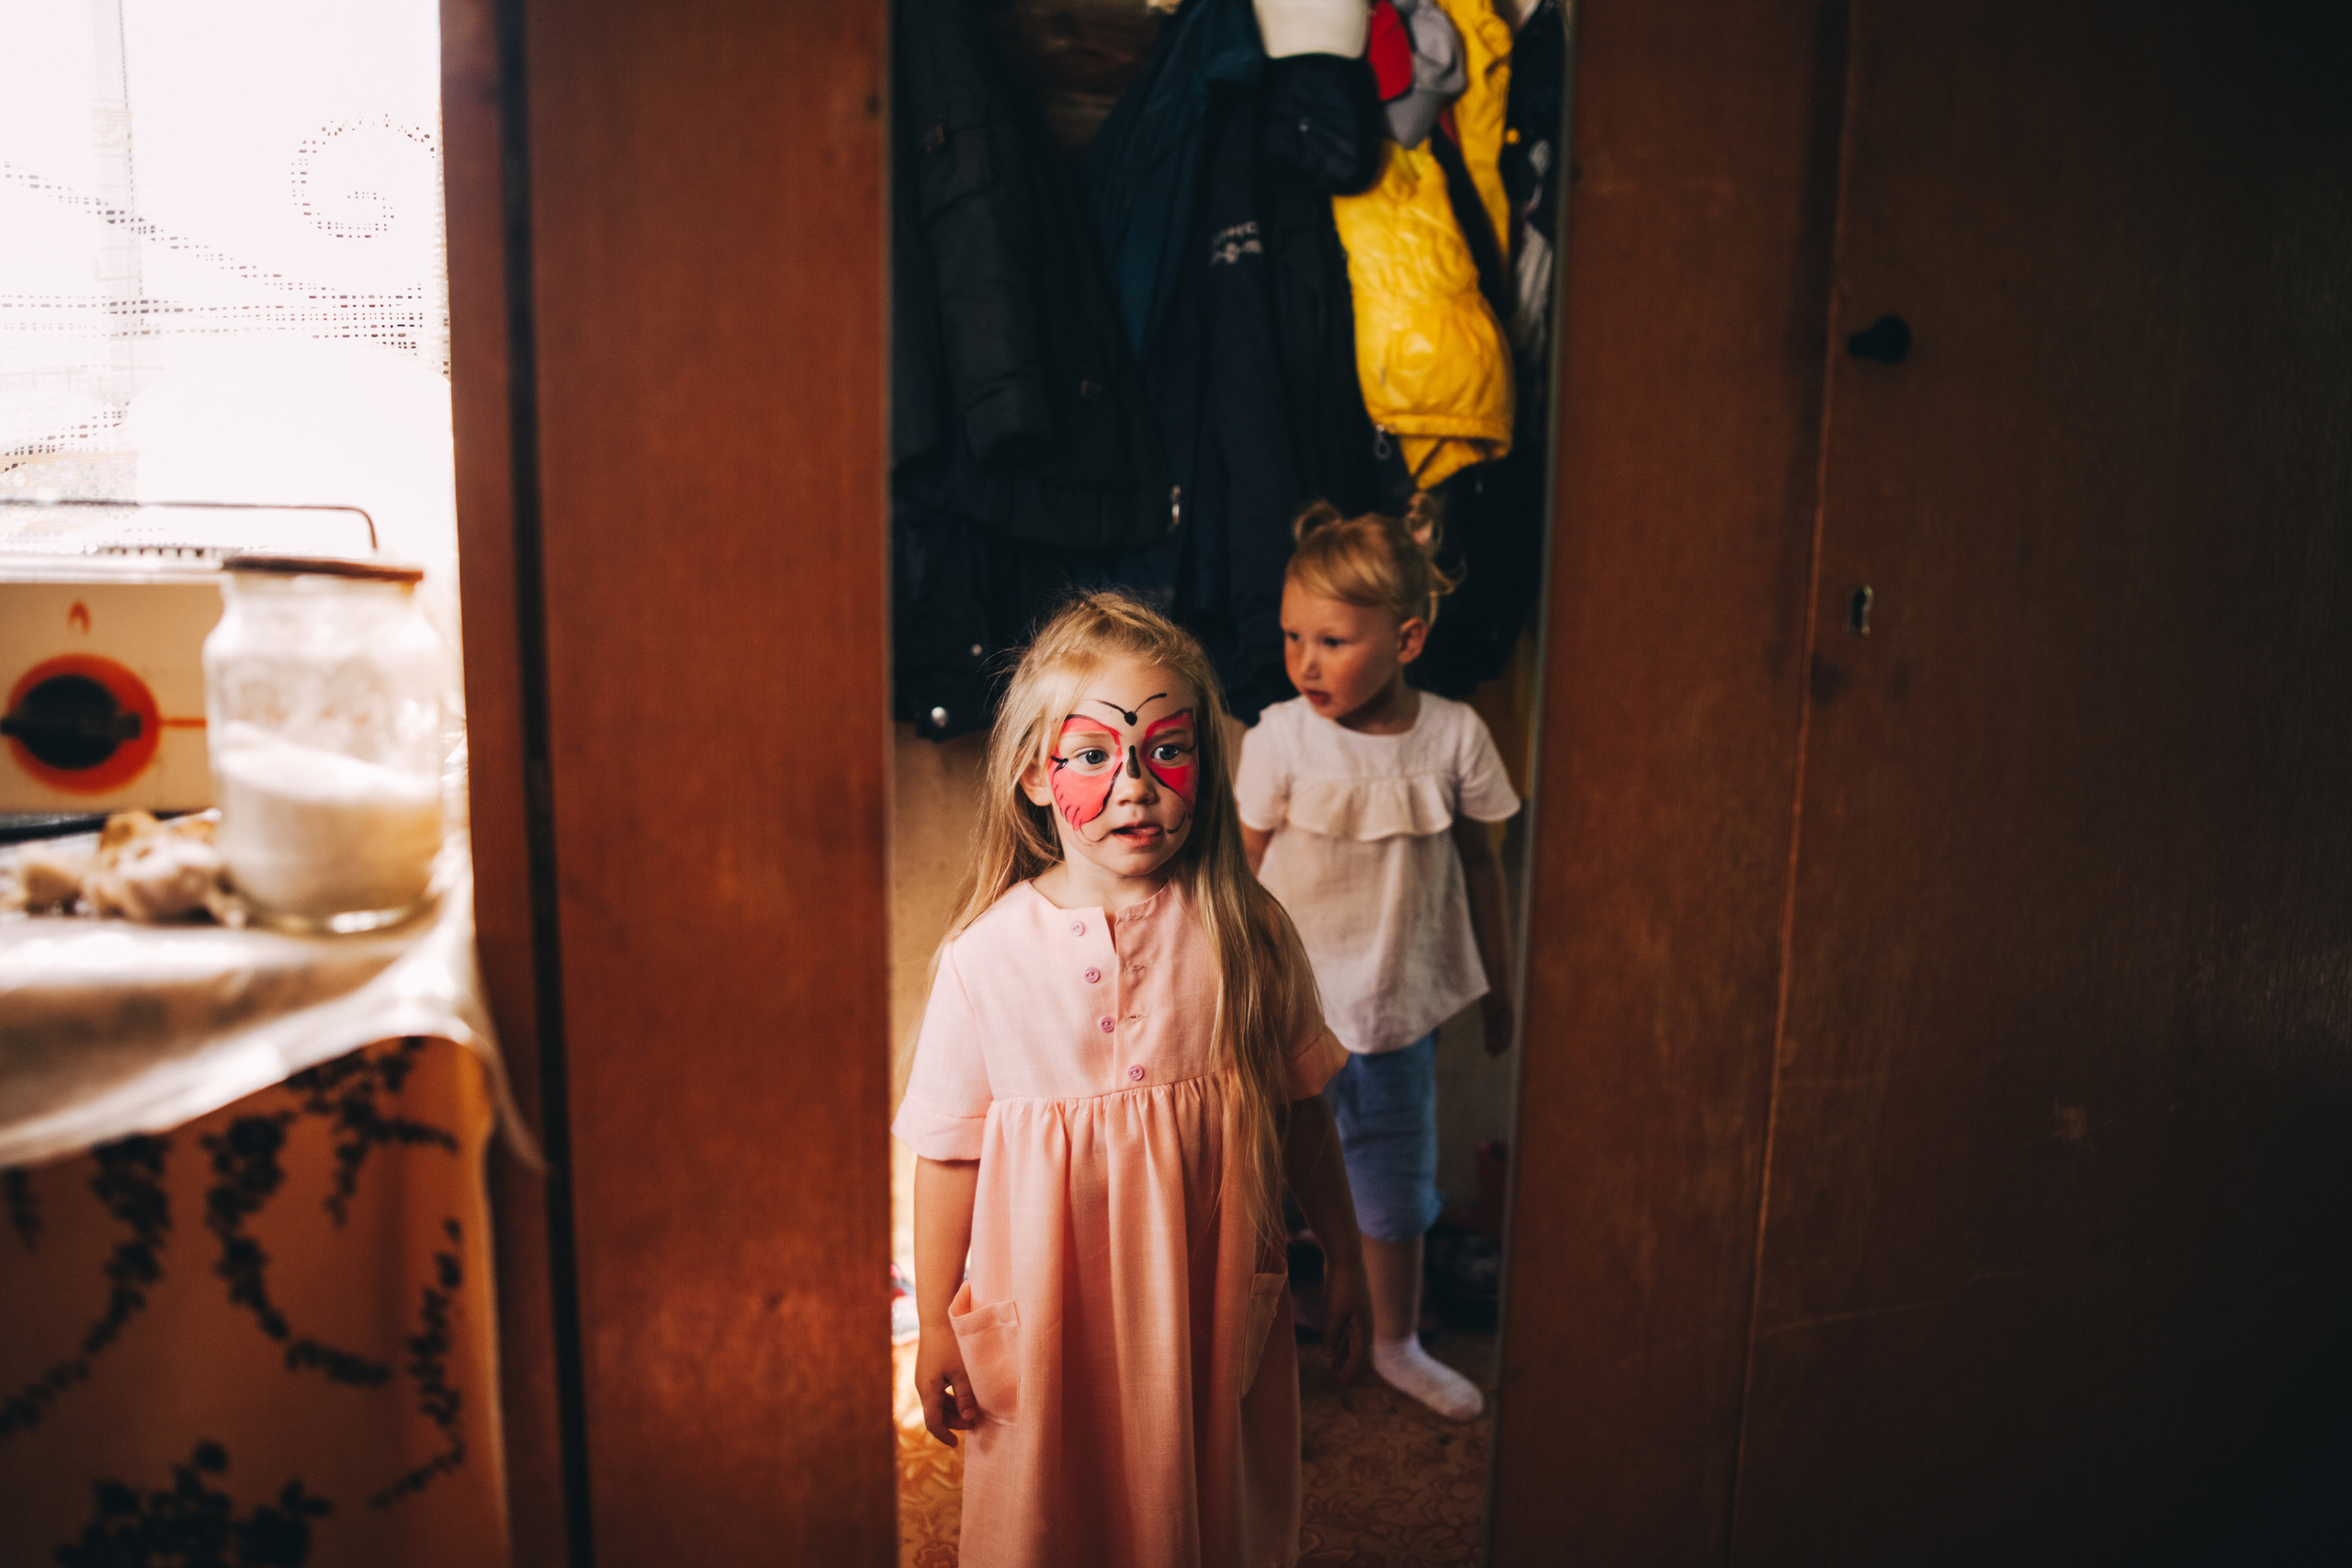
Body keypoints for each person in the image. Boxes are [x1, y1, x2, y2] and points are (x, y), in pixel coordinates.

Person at [897, 591, 1369, 1568]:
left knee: (1203, 1500)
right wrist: (937, 1321)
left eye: (1166, 749)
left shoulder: (1249, 935)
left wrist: (1348, 1256)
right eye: (1093, 755)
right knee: (1054, 1510)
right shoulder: (983, 960)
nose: (1134, 786)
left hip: (1205, 1310)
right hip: (1049, 1323)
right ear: (1036, 775)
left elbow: (1304, 1118)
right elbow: (947, 1158)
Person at [1236, 498, 1520, 1422]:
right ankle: (1237, 1343)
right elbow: (1238, 874)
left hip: (1398, 1011)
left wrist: (1500, 981)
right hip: (1288, 1010)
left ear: (1406, 639)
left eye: (1330, 641)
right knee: (1252, 1174)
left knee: (1394, 1182)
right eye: (1292, 637)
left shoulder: (1456, 736)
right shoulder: (1279, 737)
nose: (1304, 663)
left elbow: (1483, 865)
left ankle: (1397, 1339)